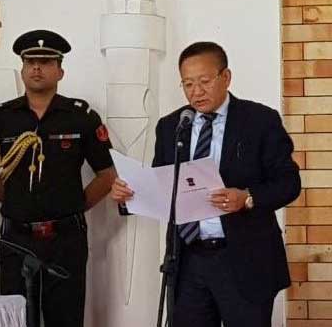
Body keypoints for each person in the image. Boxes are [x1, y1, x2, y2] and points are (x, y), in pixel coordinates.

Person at [110, 41, 301, 327]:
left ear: (226, 77)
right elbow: (161, 187)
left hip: (244, 260)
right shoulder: (172, 125)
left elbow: (289, 182)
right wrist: (128, 195)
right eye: (187, 84)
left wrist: (247, 197)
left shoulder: (260, 121)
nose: (195, 92)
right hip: (188, 263)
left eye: (204, 81)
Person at [0, 29, 116, 327]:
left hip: (65, 240)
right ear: (23, 69)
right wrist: (16, 200)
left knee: (65, 319)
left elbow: (107, 174)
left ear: (60, 71)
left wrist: (73, 206)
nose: (37, 68)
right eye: (30, 62)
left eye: (46, 61)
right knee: (15, 319)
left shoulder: (81, 116)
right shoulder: (0, 117)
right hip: (18, 238)